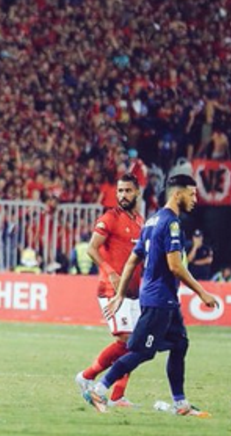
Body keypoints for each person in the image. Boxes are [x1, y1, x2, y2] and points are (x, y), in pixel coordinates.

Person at [83, 174, 218, 416]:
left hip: (163, 299)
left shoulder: (151, 221)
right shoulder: (171, 224)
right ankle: (99, 389)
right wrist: (202, 292)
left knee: (180, 344)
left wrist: (121, 294)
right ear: (178, 194)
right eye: (192, 194)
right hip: (159, 300)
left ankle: (180, 404)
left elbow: (132, 260)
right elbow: (175, 266)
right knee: (141, 350)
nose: (195, 199)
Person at [74, 173, 144, 407]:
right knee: (126, 340)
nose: (123, 195)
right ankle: (87, 377)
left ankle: (117, 396)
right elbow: (92, 248)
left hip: (134, 291)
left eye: (128, 190)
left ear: (137, 192)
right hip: (111, 290)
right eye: (120, 190)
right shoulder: (110, 218)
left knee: (136, 344)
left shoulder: (140, 221)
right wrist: (111, 272)